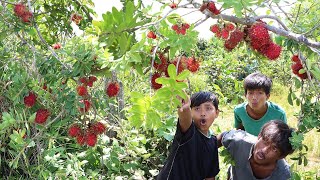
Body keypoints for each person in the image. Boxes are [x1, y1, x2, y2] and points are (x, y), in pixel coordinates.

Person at [157, 91, 220, 180]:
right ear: (191, 112)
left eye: (208, 108)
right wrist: (185, 107)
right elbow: (184, 116)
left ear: (217, 113)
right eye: (197, 109)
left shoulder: (213, 142)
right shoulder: (189, 131)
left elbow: (210, 175)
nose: (202, 113)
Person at [217, 120, 295, 180]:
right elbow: (221, 137)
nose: (264, 150)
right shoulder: (240, 141)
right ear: (259, 136)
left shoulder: (284, 174)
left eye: (274, 149)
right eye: (265, 141)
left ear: (281, 156)